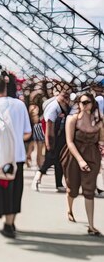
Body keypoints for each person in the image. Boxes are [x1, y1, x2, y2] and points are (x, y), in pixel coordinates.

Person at [0, 76, 32, 238]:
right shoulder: (19, 105)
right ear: (5, 87)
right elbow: (27, 133)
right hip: (17, 155)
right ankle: (9, 224)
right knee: (15, 191)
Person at [60, 92, 103, 236]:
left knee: (89, 190)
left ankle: (91, 225)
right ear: (78, 104)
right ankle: (69, 209)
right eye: (82, 102)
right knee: (72, 188)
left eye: (88, 102)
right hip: (74, 156)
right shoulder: (72, 120)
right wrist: (80, 160)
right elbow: (69, 142)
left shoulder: (98, 121)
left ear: (92, 104)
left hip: (92, 156)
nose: (85, 105)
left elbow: (101, 141)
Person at [32, 86, 72, 192]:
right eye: (64, 93)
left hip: (62, 138)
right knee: (50, 159)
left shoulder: (66, 104)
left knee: (60, 161)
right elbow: (49, 126)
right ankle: (38, 175)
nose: (66, 94)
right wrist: (49, 143)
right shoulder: (53, 107)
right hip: (54, 138)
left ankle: (58, 184)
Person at [26, 93, 45, 168]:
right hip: (37, 128)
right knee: (39, 147)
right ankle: (39, 163)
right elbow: (36, 119)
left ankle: (34, 161)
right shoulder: (34, 107)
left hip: (32, 128)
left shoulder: (30, 107)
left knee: (33, 147)